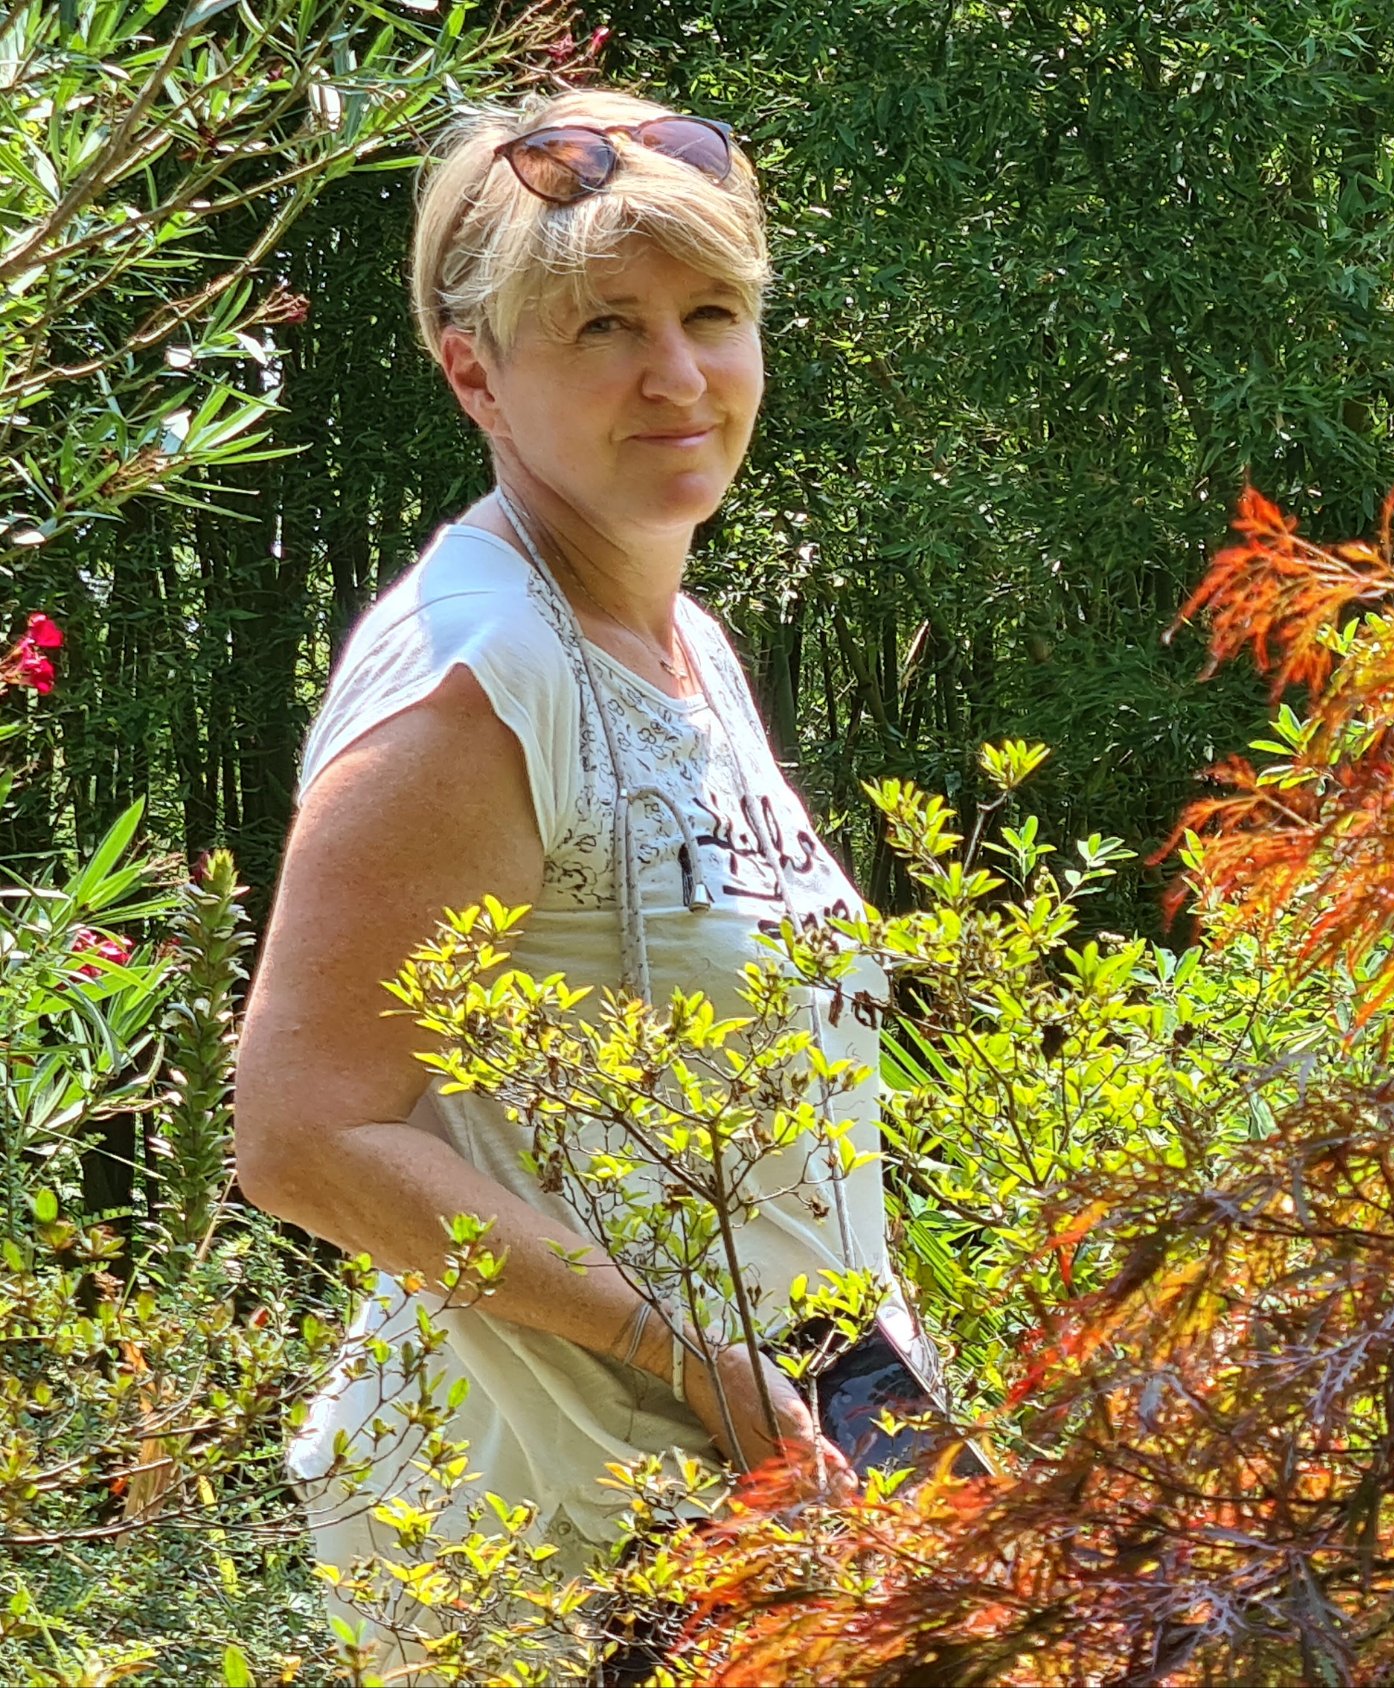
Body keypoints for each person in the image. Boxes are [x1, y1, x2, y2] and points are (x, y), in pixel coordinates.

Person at [233, 87, 947, 1675]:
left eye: (711, 316)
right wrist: (699, 1369)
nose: (677, 375)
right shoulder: (476, 677)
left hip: (780, 1458)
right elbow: (301, 1134)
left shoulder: (683, 648)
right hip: (565, 1540)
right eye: (606, 327)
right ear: (474, 372)